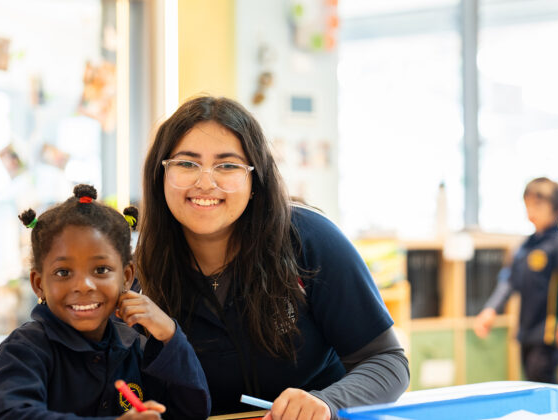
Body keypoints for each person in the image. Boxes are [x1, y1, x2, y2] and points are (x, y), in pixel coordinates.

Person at [135, 96, 409, 419]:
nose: (205, 182)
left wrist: (326, 402)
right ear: (161, 175)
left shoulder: (310, 240)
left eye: (227, 165)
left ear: (255, 180)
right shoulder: (138, 272)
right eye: (186, 163)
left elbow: (388, 362)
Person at [0, 185, 210, 419]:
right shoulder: (24, 350)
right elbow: (8, 415)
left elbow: (192, 412)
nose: (84, 285)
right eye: (63, 272)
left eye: (101, 270)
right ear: (39, 284)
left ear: (127, 278)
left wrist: (170, 334)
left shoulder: (134, 346)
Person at [474, 177, 558, 384]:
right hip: (527, 329)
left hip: (551, 329)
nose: (531, 211)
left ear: (557, 209)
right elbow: (508, 281)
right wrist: (491, 309)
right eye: (528, 205)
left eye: (538, 205)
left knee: (541, 372)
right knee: (531, 377)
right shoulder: (525, 247)